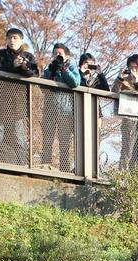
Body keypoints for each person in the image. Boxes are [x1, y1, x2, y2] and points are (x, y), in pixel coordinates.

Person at [0, 28, 38, 165]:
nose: (12, 40)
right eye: (9, 38)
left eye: (15, 38)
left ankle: (21, 166)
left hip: (18, 105)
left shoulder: (28, 56)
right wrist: (13, 65)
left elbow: (34, 74)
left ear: (21, 40)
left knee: (18, 139)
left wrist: (24, 67)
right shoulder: (0, 54)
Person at [40, 43, 80, 172]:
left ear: (67, 56)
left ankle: (64, 170)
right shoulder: (49, 69)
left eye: (60, 54)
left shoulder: (72, 67)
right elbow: (43, 87)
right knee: (47, 141)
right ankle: (45, 167)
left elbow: (75, 83)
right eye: (55, 53)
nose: (57, 56)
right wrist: (51, 71)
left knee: (64, 143)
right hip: (49, 108)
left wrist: (64, 69)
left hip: (66, 110)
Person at [111, 53, 138, 169]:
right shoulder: (124, 81)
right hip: (129, 118)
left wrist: (136, 83)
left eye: (135, 67)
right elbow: (114, 92)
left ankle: (134, 177)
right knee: (127, 148)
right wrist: (119, 79)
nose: (133, 70)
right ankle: (122, 174)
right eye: (131, 67)